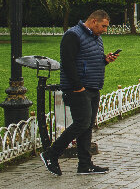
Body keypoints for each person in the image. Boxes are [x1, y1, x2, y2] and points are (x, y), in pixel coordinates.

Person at [41, 10, 117, 176]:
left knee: (87, 126)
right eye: (103, 26)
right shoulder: (72, 35)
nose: (105, 30)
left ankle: (85, 164)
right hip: (78, 88)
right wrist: (77, 87)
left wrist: (105, 60)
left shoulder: (96, 38)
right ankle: (51, 154)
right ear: (93, 21)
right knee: (81, 123)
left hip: (92, 87)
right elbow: (67, 63)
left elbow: (88, 60)